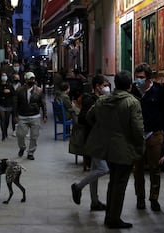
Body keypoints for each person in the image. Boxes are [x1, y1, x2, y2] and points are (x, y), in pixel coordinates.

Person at [84, 71, 144, 229]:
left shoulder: (103, 100)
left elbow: (89, 117)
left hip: (106, 147)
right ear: (130, 85)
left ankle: (110, 215)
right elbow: (137, 129)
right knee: (120, 184)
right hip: (124, 148)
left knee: (113, 182)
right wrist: (139, 146)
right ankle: (113, 218)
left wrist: (102, 129)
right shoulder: (132, 102)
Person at [133, 62, 164, 211]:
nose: (138, 80)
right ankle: (140, 198)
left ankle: (154, 198)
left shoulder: (158, 91)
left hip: (154, 133)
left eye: (141, 77)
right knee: (138, 169)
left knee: (155, 168)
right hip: (137, 134)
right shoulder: (134, 91)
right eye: (137, 77)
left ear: (148, 78)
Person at [70, 74, 110, 211]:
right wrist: (95, 123)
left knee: (95, 169)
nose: (107, 88)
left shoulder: (103, 99)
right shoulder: (90, 100)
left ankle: (94, 201)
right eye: (105, 85)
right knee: (103, 169)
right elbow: (82, 118)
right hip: (93, 139)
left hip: (100, 138)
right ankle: (78, 187)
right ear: (97, 86)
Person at [13, 71, 47, 160]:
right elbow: (16, 104)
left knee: (34, 136)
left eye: (33, 79)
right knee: (20, 135)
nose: (32, 80)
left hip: (35, 116)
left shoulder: (39, 91)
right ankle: (22, 147)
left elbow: (43, 104)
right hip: (23, 116)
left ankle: (31, 152)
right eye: (30, 79)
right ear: (26, 80)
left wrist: (45, 115)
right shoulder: (19, 90)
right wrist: (15, 115)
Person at [0, 72, 15, 141]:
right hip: (0, 104)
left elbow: (14, 94)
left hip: (8, 104)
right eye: (3, 75)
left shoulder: (10, 85)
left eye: (5, 76)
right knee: (2, 119)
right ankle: (3, 134)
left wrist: (9, 91)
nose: (4, 77)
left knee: (7, 120)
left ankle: (5, 131)